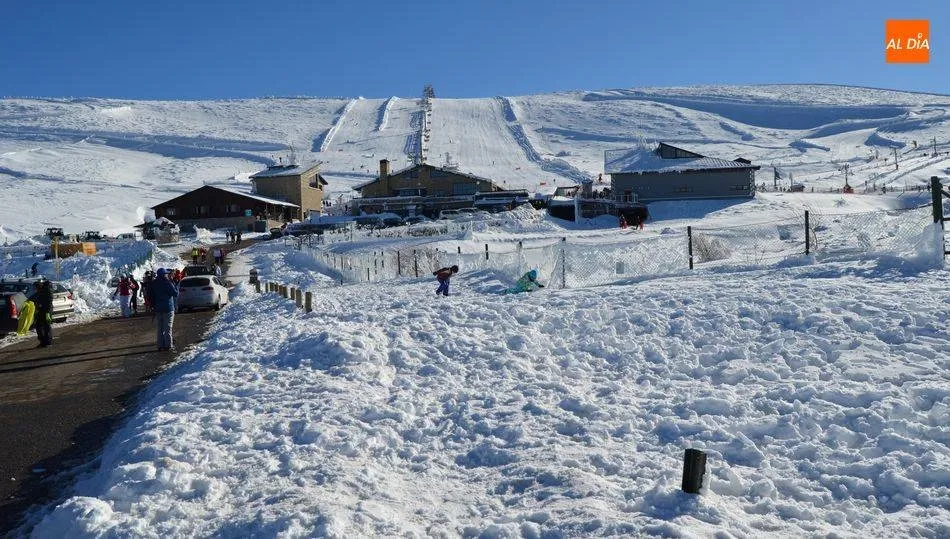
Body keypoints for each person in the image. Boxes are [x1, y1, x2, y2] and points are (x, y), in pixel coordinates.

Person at [149, 268, 179, 351]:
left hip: (158, 308)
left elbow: (150, 295)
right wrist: (173, 282)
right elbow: (175, 293)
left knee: (160, 328)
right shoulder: (168, 283)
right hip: (168, 308)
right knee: (168, 328)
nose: (167, 275)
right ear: (164, 274)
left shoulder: (154, 283)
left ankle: (160, 345)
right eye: (166, 274)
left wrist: (153, 305)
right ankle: (168, 345)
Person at [33, 278, 54, 347]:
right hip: (41, 310)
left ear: (39, 286)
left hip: (47, 311)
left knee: (46, 325)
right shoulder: (40, 291)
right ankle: (43, 341)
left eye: (35, 288)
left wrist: (46, 311)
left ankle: (48, 342)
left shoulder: (47, 291)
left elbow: (48, 301)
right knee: (39, 325)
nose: (35, 289)